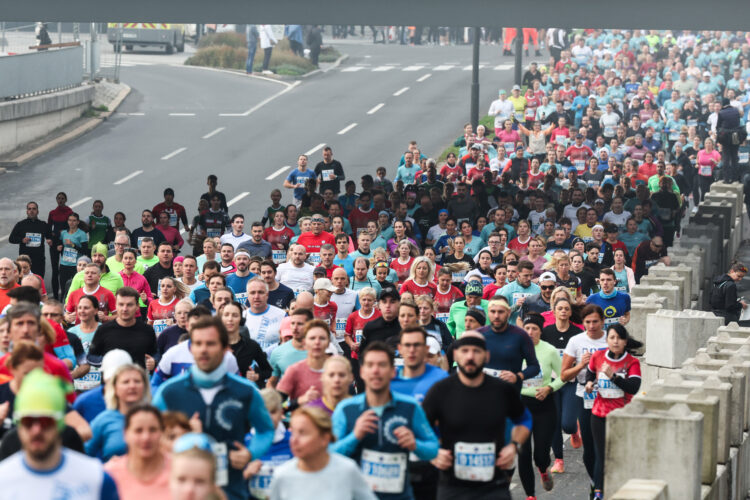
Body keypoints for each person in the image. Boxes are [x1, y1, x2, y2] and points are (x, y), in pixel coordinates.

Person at [153, 316, 275, 500]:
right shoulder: (169, 392)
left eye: (210, 344)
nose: (203, 349)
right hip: (183, 492)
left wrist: (250, 453)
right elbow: (152, 435)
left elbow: (265, 430)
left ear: (226, 348)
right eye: (198, 343)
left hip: (231, 490)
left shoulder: (246, 391)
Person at [422, 331, 532, 500]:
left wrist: (514, 446)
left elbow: (524, 419)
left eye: (476, 351)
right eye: (465, 351)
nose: (470, 356)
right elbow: (419, 426)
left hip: (494, 486)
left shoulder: (502, 390)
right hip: (452, 486)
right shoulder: (440, 390)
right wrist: (433, 453)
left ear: (486, 356)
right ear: (456, 355)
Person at [331, 341, 439, 500]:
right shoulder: (346, 409)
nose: (376, 371)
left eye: (382, 365)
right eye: (370, 365)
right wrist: (355, 436)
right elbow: (329, 455)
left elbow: (433, 449)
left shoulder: (410, 407)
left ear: (393, 372)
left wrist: (415, 444)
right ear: (362, 371)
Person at [0, 369, 119, 500]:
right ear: (19, 425)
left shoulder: (96, 479)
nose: (37, 430)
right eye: (28, 421)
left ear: (60, 424)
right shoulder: (3, 480)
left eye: (46, 421)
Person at [269, 405, 376, 499]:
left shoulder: (347, 470)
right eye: (293, 432)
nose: (294, 440)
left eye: (303, 433)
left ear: (324, 438)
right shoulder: (282, 475)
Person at [584, 324, 641, 499]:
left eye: (619, 338)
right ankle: (599, 492)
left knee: (619, 454)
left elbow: (633, 387)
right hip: (599, 414)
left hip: (621, 416)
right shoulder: (598, 356)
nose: (615, 341)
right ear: (607, 340)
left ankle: (621, 488)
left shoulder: (631, 362)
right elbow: (590, 373)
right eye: (612, 338)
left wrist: (613, 377)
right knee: (601, 454)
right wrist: (588, 383)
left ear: (625, 341)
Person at [560, 304, 608, 497]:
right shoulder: (576, 341)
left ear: (602, 321)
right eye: (587, 322)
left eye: (595, 321)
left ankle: (600, 488)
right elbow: (564, 375)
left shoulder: (610, 339)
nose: (591, 325)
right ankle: (594, 482)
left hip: (609, 398)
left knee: (604, 447)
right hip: (585, 397)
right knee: (590, 448)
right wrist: (581, 364)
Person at [517, 313, 562, 499]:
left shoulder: (549, 350)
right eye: (527, 328)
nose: (530, 332)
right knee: (523, 452)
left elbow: (563, 375)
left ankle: (543, 469)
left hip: (544, 405)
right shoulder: (515, 350)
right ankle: (530, 495)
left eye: (534, 328)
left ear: (540, 332)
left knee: (540, 455)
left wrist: (549, 388)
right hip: (521, 406)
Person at [542, 296, 583, 473]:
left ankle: (574, 431)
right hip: (552, 382)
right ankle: (558, 460)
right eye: (560, 309)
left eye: (567, 308)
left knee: (567, 423)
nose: (564, 311)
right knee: (554, 422)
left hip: (570, 382)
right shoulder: (547, 332)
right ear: (554, 312)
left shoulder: (577, 334)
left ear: (570, 312)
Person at [104, 405, 171, 500]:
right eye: (138, 431)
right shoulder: (109, 475)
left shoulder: (181, 470)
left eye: (153, 430)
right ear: (125, 434)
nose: (146, 437)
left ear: (162, 432)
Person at [86, 363, 151, 461]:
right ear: (115, 388)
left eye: (137, 381)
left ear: (145, 386)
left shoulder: (156, 417)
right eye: (126, 382)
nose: (132, 386)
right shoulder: (104, 420)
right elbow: (84, 454)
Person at [88, 287, 157, 371]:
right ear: (116, 306)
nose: (125, 309)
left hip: (137, 381)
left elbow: (156, 353)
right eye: (121, 304)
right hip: (111, 381)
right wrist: (107, 361)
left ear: (137, 307)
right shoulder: (103, 330)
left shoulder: (147, 331)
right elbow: (91, 356)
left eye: (129, 305)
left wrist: (154, 361)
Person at [277, 320, 331, 406]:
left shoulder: (338, 368)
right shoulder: (295, 370)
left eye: (322, 338)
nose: (317, 342)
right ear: (304, 342)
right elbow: (277, 406)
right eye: (312, 338)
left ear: (328, 343)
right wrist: (299, 400)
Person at [268, 307, 313, 388]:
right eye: (292, 323)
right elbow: (272, 382)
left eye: (300, 324)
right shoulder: (277, 352)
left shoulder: (319, 350)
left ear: (309, 326)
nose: (295, 328)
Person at [8, 201, 53, 278]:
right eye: (29, 209)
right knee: (24, 282)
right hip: (24, 260)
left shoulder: (43, 225)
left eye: (34, 209)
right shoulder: (21, 224)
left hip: (39, 259)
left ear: (37, 211)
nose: (31, 211)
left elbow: (50, 237)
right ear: (27, 211)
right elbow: (11, 239)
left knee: (38, 281)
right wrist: (22, 240)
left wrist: (50, 240)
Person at [244, 278, 287, 355]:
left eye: (260, 292)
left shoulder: (282, 315)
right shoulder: (241, 317)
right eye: (252, 293)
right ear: (247, 296)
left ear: (267, 294)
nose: (256, 296)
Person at [359, 285, 402, 352]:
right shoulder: (370, 327)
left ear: (399, 304)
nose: (388, 306)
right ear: (379, 305)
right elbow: (362, 353)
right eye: (384, 302)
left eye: (392, 302)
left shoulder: (404, 327)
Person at [716, 97, 745, 183]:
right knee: (734, 157)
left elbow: (718, 126)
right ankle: (735, 178)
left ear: (723, 104)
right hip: (735, 136)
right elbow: (738, 123)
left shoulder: (721, 113)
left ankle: (726, 179)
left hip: (725, 138)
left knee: (726, 158)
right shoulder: (736, 111)